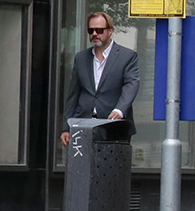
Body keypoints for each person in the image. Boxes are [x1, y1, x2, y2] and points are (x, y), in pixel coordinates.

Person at [59, 11, 140, 148]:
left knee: (112, 168)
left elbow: (131, 84)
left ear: (110, 31)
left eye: (99, 30)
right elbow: (73, 94)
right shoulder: (81, 58)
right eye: (91, 30)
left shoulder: (127, 56)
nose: (95, 34)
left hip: (114, 126)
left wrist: (120, 110)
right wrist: (67, 127)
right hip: (83, 125)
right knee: (83, 168)